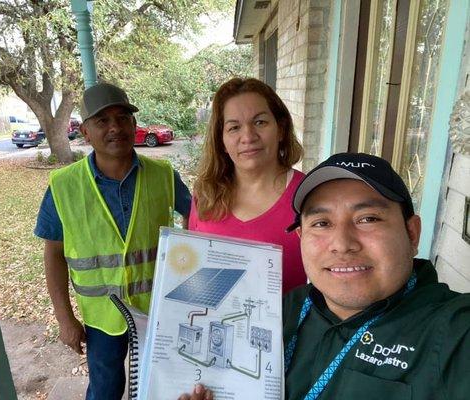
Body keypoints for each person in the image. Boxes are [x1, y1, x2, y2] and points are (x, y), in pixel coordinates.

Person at [180, 153, 470, 400]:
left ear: (411, 233)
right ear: (301, 236)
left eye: (367, 219)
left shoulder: (453, 332)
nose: (342, 244)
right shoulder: (281, 310)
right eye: (322, 223)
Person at [34, 82, 191, 400]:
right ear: (86, 132)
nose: (115, 127)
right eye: (102, 121)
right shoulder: (63, 186)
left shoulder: (163, 175)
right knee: (105, 389)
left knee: (158, 385)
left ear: (135, 125)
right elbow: (53, 255)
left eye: (123, 118)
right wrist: (65, 318)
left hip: (156, 312)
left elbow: (202, 220)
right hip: (101, 318)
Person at [189, 78, 306, 294]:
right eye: (234, 127)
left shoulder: (308, 196)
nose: (248, 137)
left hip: (291, 327)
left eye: (260, 122)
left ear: (280, 129)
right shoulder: (205, 193)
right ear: (221, 140)